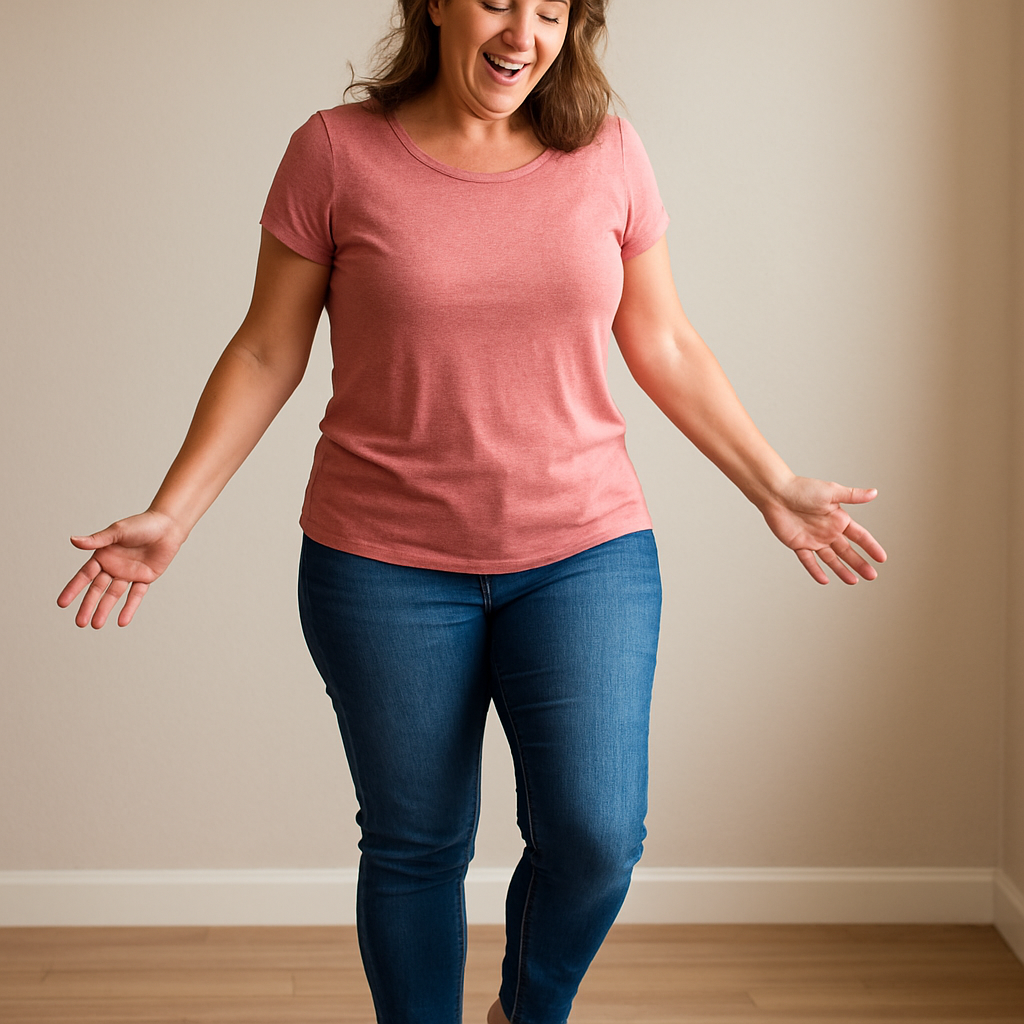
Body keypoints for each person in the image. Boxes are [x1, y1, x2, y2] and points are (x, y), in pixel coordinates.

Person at [57, 1, 887, 1021]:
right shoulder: (334, 153)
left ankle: (524, 1014)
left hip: (586, 549)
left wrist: (774, 480)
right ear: (437, 5)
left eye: (551, 11)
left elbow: (663, 341)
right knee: (417, 843)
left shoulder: (611, 155)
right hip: (382, 563)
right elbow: (269, 347)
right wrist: (173, 513)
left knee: (595, 832)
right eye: (500, 0)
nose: (523, 33)